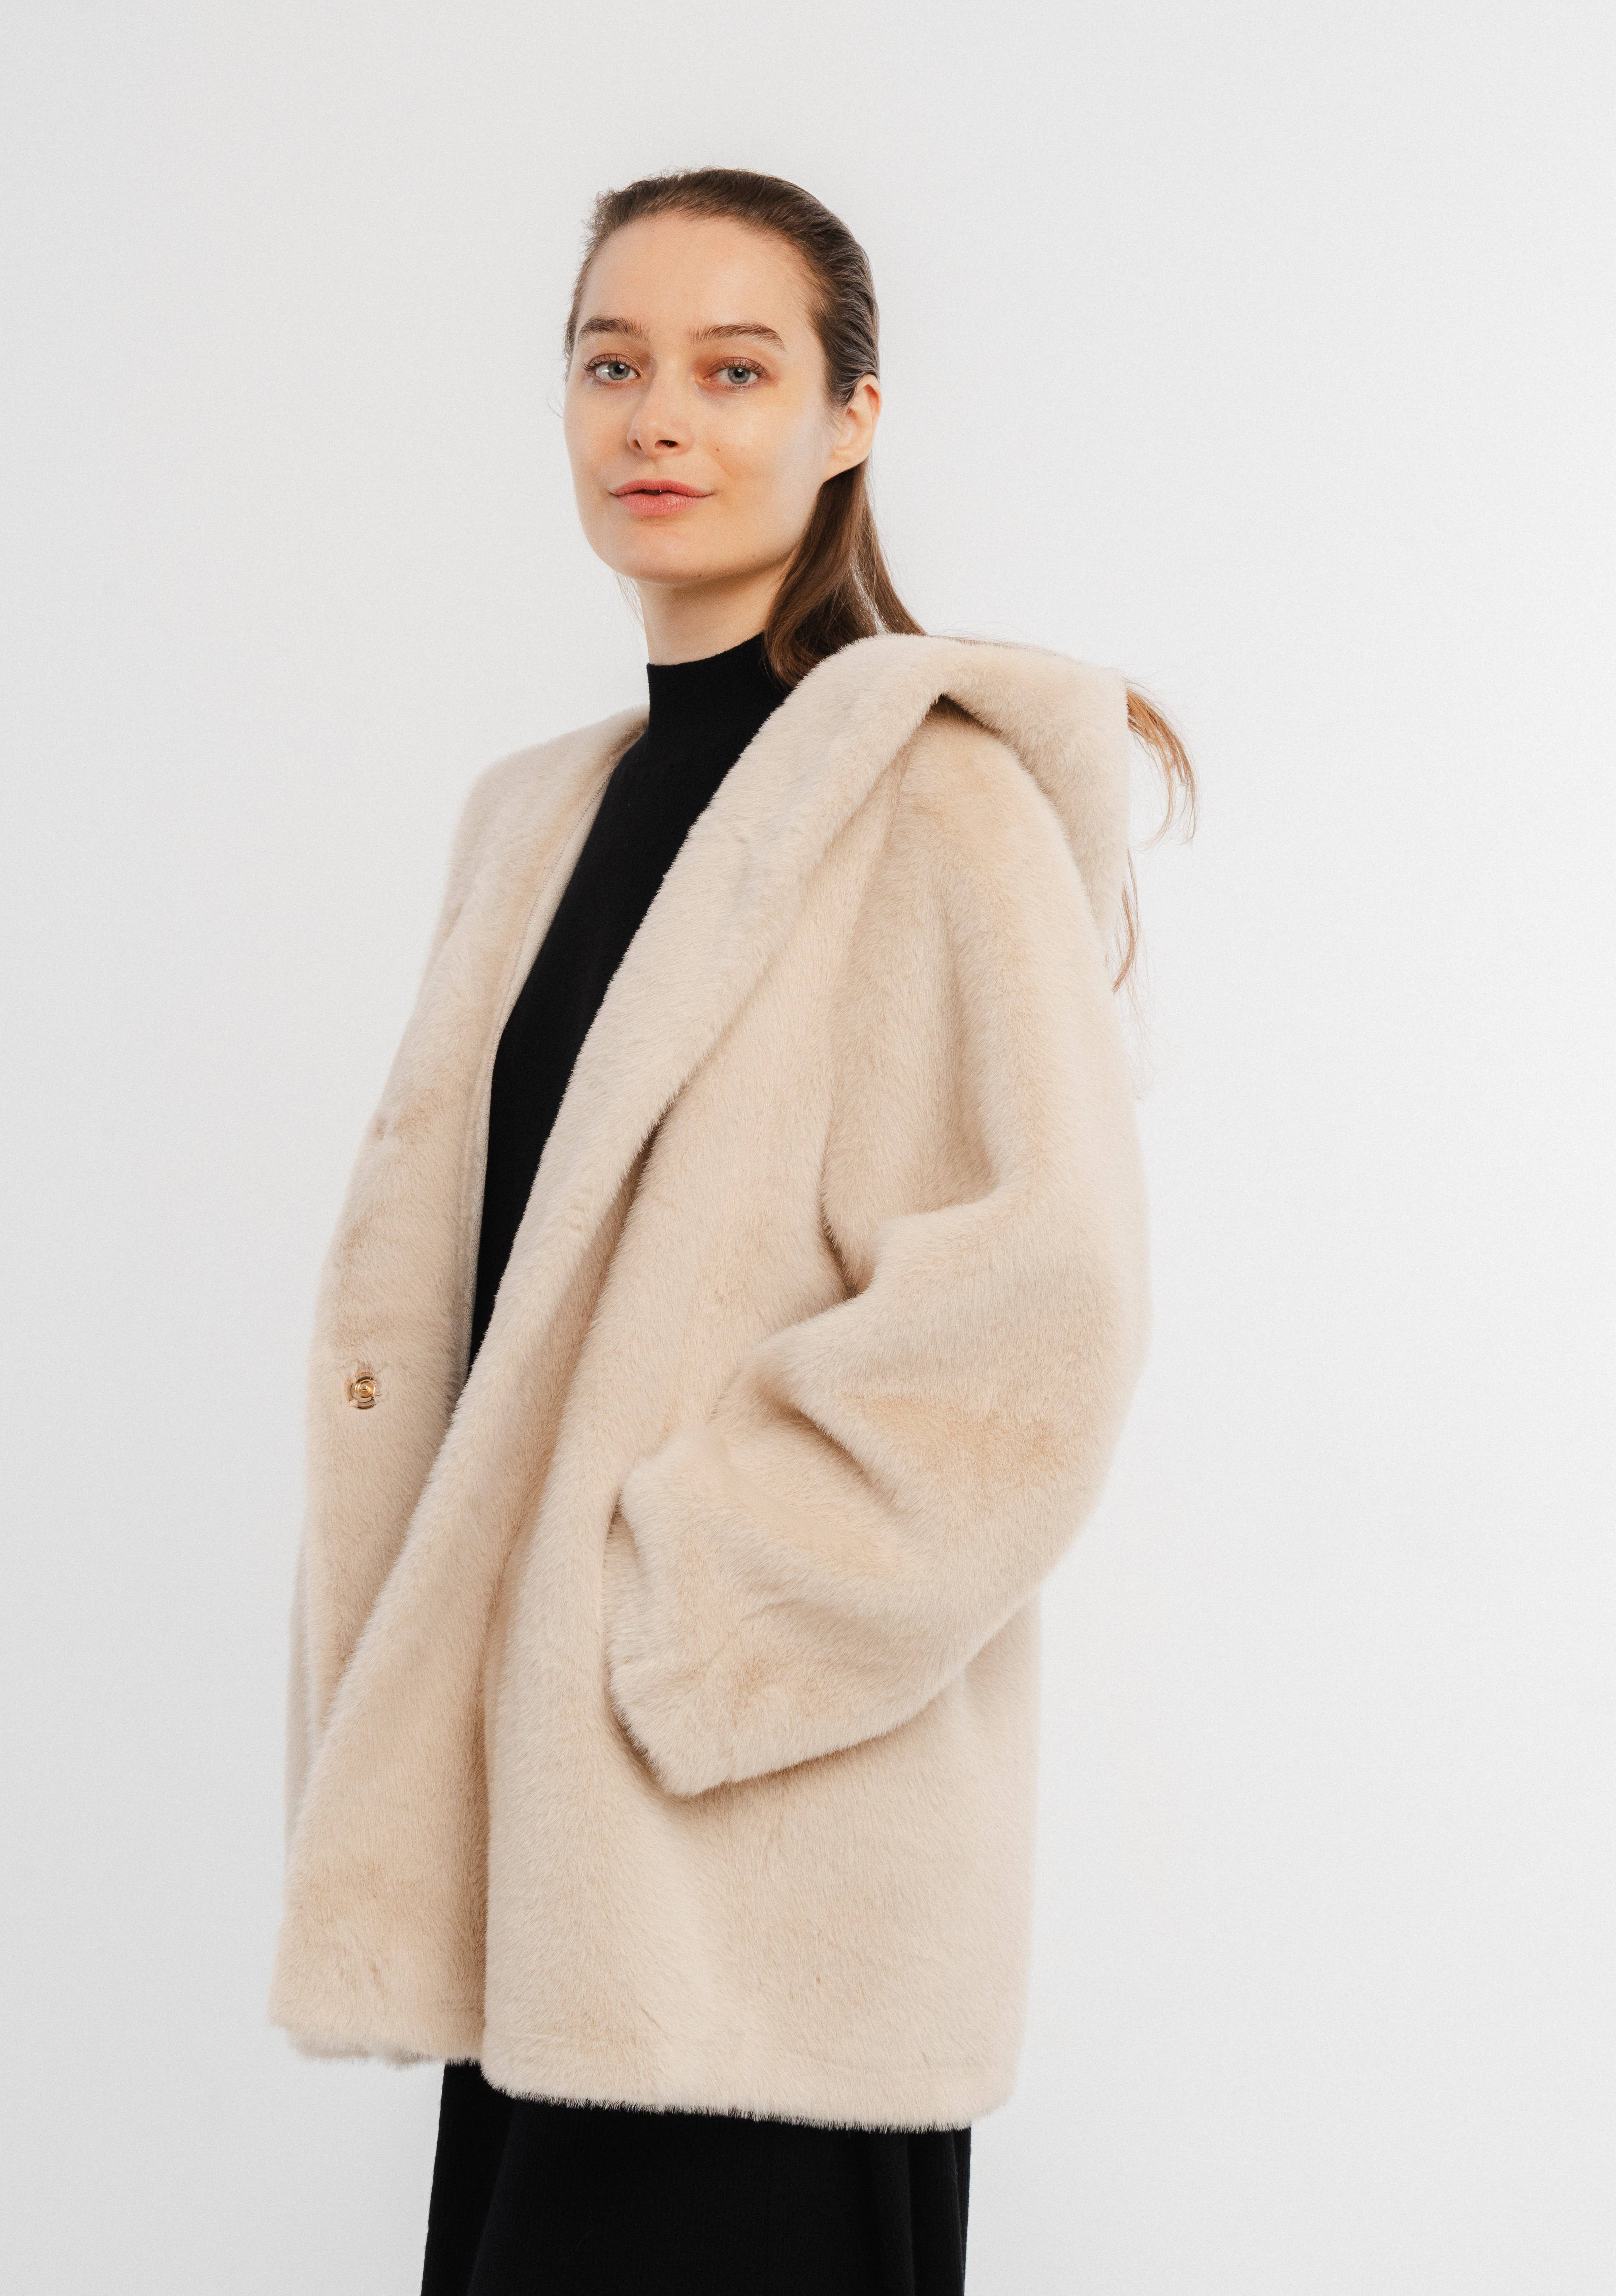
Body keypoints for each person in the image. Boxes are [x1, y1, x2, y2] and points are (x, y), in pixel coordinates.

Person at [269, 166, 1194, 2295]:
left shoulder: (934, 803)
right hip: (547, 1874)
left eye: (735, 368)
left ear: (853, 415)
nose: (659, 418)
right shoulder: (534, 817)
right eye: (613, 363)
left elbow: (1040, 1317)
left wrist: (667, 1621)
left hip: (764, 1871)